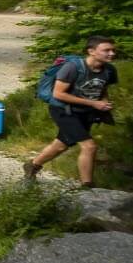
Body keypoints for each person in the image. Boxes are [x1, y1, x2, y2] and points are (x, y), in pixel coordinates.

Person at [24, 36, 119, 187]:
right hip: (63, 110)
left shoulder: (109, 70)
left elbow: (103, 88)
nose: (112, 53)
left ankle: (33, 165)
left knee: (61, 145)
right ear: (91, 51)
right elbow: (58, 94)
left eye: (113, 50)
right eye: (106, 50)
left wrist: (104, 102)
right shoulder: (73, 68)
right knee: (89, 146)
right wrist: (94, 103)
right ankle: (87, 186)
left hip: (86, 112)